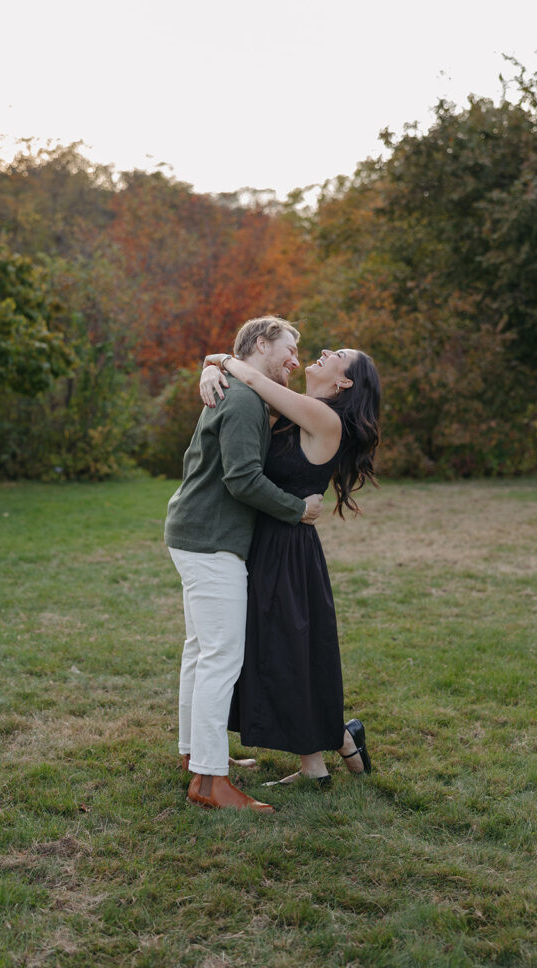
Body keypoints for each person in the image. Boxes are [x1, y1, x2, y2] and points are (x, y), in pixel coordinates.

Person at [199, 345, 380, 785]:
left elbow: (253, 378)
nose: (323, 351)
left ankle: (328, 750)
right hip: (268, 541)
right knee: (283, 650)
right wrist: (208, 370)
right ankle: (327, 753)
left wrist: (219, 360)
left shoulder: (324, 417)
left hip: (288, 550)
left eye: (337, 354)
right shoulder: (297, 411)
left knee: (287, 651)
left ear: (344, 382)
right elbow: (248, 389)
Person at [164, 316, 324, 812]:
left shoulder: (240, 389)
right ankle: (210, 782)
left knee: (200, 652)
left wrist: (213, 362)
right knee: (220, 657)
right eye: (289, 348)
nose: (295, 359)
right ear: (260, 344)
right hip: (212, 541)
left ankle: (195, 755)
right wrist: (298, 509)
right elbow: (242, 479)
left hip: (197, 535)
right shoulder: (243, 401)